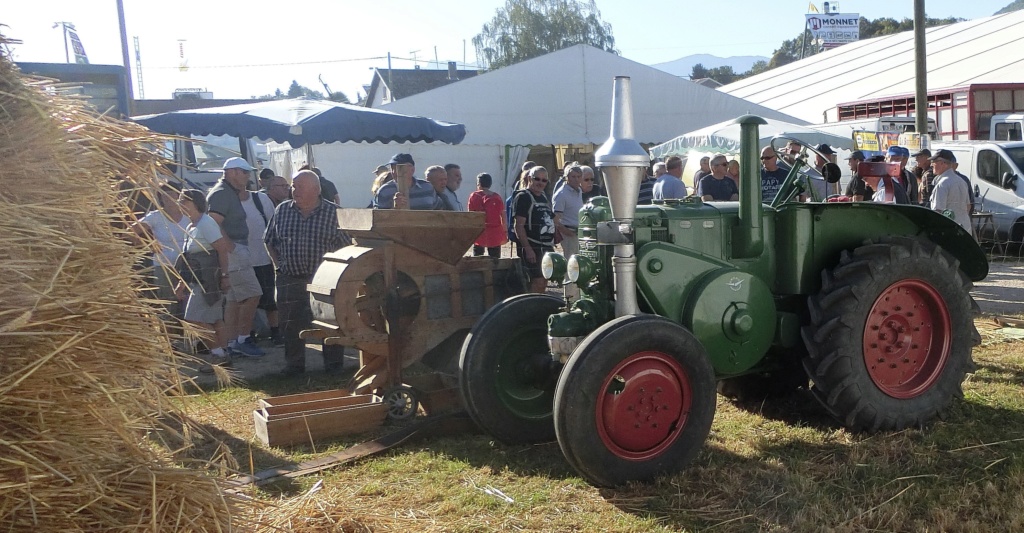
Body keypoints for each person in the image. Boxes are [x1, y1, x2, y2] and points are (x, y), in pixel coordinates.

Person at [264, 170, 352, 376]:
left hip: (324, 281)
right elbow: (269, 241)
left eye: (299, 186)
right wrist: (279, 266)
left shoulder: (335, 213)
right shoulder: (282, 211)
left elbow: (348, 248)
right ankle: (294, 367)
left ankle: (333, 367)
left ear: (316, 190)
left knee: (330, 323)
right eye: (292, 186)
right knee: (290, 325)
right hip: (289, 278)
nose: (294, 190)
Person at [206, 157, 265, 358]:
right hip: (234, 251)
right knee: (252, 293)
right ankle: (243, 338)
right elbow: (213, 222)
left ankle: (231, 342)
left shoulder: (226, 192)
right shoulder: (223, 194)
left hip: (234, 250)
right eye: (245, 172)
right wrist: (230, 247)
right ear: (232, 172)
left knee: (234, 299)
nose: (248, 176)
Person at [173, 189, 232, 370]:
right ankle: (223, 356)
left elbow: (222, 249)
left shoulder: (206, 223)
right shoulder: (191, 226)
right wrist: (181, 285)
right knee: (214, 319)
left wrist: (224, 276)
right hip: (197, 279)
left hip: (208, 280)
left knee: (193, 318)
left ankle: (218, 353)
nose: (180, 205)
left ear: (195, 203)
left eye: (185, 201)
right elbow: (188, 261)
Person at [130, 183, 189, 324]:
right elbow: (132, 232)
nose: (168, 199)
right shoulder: (155, 216)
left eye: (172, 195)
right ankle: (171, 336)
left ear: (179, 196)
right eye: (164, 196)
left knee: (188, 303)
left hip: (188, 265)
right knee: (168, 303)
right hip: (164, 265)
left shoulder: (188, 214)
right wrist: (148, 244)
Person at [240, 180, 282, 346]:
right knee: (247, 300)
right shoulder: (227, 203)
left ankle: (276, 331)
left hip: (264, 259)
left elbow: (274, 224)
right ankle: (249, 334)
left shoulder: (261, 199)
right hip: (242, 262)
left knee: (270, 300)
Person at [513, 166, 556, 294]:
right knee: (536, 280)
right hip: (532, 246)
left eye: (544, 180)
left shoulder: (544, 197)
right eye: (537, 179)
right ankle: (531, 307)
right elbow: (519, 226)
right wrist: (528, 249)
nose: (540, 183)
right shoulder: (523, 197)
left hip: (546, 245)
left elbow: (552, 218)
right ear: (530, 178)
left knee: (545, 278)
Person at [552, 164, 584, 301]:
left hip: (579, 233)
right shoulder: (561, 194)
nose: (576, 179)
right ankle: (570, 299)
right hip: (569, 233)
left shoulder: (578, 191)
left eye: (578, 176)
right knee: (571, 266)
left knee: (579, 265)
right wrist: (567, 232)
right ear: (567, 178)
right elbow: (555, 220)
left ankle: (578, 296)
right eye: (573, 177)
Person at [374, 153, 443, 210]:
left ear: (412, 170)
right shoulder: (385, 191)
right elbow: (378, 218)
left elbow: (439, 211)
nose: (394, 172)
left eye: (399, 168)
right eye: (392, 168)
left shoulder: (427, 187)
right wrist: (395, 208)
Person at [929, 149, 972, 232]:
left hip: (948, 230)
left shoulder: (942, 184)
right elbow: (968, 206)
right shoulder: (961, 181)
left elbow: (937, 212)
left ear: (942, 163)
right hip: (965, 229)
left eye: (934, 161)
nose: (931, 165)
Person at [467, 173, 507, 258]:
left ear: (478, 183)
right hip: (494, 231)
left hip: (479, 230)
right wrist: (505, 230)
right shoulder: (497, 197)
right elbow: (503, 214)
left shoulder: (474, 196)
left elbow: (470, 214)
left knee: (478, 256)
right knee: (495, 258)